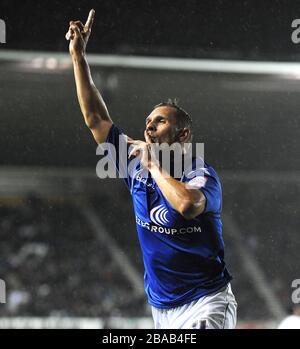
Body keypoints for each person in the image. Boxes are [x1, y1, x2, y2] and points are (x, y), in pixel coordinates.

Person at [66, 9, 237, 329]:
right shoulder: (135, 165)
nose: (149, 128)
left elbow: (187, 205)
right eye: (147, 123)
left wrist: (154, 166)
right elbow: (96, 119)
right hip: (161, 310)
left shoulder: (201, 174)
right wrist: (78, 56)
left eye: (160, 121)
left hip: (205, 303)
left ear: (182, 134)